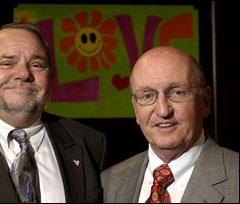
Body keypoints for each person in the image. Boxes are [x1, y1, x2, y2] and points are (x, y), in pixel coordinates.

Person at [0, 22, 107, 203]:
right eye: (7, 63)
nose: (23, 73)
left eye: (36, 64)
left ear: (51, 76)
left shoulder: (90, 144)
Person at [101, 46, 239, 203]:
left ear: (205, 101)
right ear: (135, 108)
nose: (163, 111)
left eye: (177, 92)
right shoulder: (108, 184)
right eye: (147, 95)